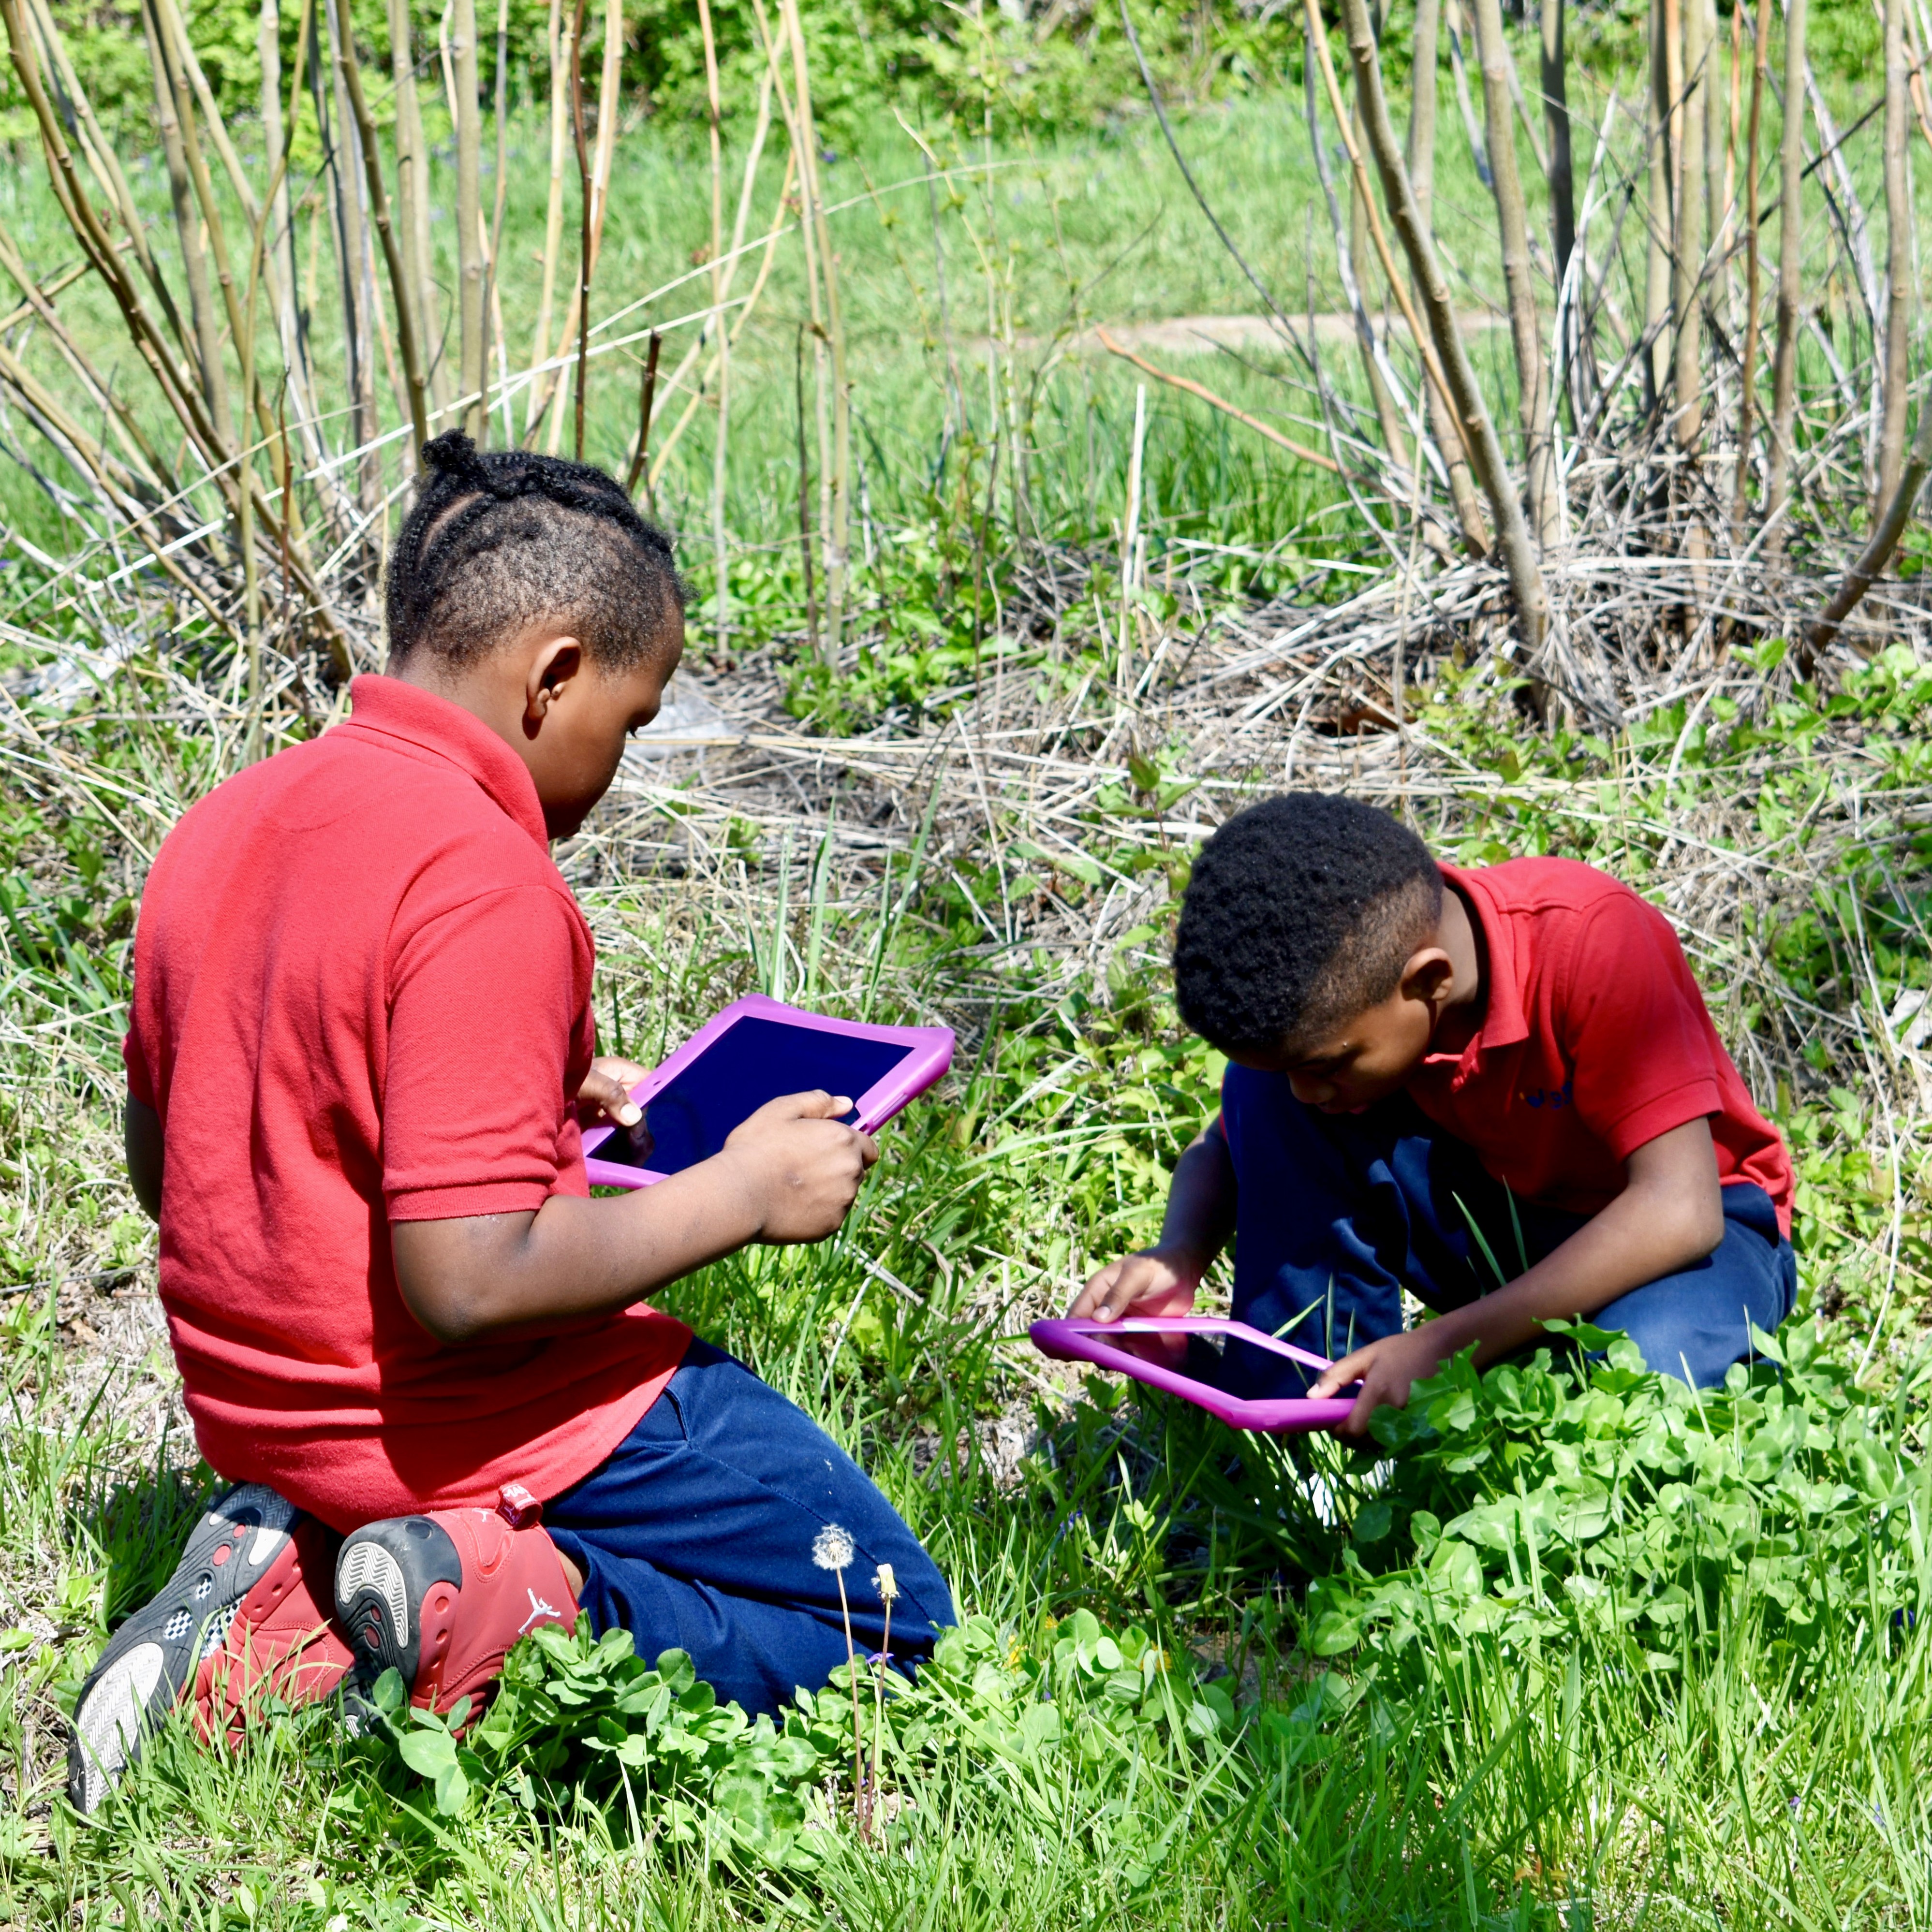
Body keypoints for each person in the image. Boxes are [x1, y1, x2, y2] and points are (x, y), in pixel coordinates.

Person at [70, 433, 953, 1815]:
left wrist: (506, 1090)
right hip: (472, 1418)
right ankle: (475, 1601)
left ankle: (296, 1583)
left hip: (263, 1418)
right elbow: (471, 1281)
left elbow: (170, 1156)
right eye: (634, 718)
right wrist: (744, 1187)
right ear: (552, 675)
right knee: (891, 1617)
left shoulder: (222, 826)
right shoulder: (484, 878)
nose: (622, 764)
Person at [1069, 792, 1795, 1434]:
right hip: (1500, 1226)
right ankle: (1309, 1421)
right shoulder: (1345, 1011)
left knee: (1647, 1373)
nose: (1305, 1090)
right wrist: (1179, 1255)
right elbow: (1222, 1146)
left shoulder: (1590, 940)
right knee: (1264, 1099)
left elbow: (1681, 1211)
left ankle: (1505, 1406)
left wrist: (1448, 1344)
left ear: (1430, 982)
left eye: (1324, 1065)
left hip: (1690, 1242)